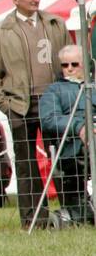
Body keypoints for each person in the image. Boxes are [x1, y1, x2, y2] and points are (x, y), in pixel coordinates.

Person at [0, 0, 68, 228]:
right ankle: (33, 219)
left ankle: (73, 212)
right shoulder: (1, 31)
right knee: (26, 165)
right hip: (20, 105)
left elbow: (70, 61)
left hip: (54, 103)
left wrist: (66, 96)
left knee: (62, 159)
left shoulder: (55, 24)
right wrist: (6, 106)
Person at [39, 45, 94, 225]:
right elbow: (49, 120)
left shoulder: (93, 87)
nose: (69, 68)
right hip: (72, 146)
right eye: (65, 65)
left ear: (85, 64)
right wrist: (79, 127)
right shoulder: (54, 90)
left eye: (74, 64)